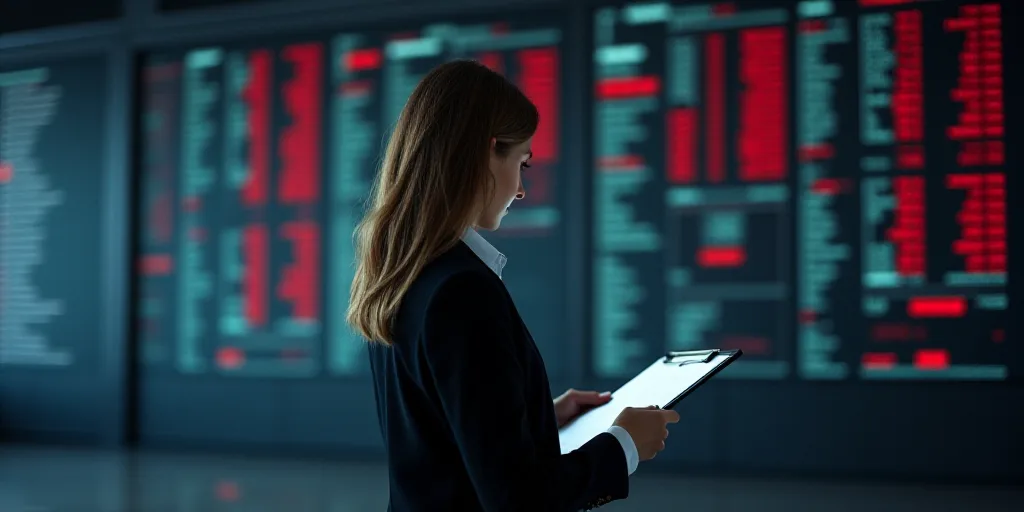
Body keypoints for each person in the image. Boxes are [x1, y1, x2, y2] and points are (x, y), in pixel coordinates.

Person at [346, 59, 680, 512]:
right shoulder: (462, 292)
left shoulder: (402, 274)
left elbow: (440, 435)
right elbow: (518, 500)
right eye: (521, 162)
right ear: (486, 153)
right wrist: (624, 444)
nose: (522, 188)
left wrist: (539, 415)